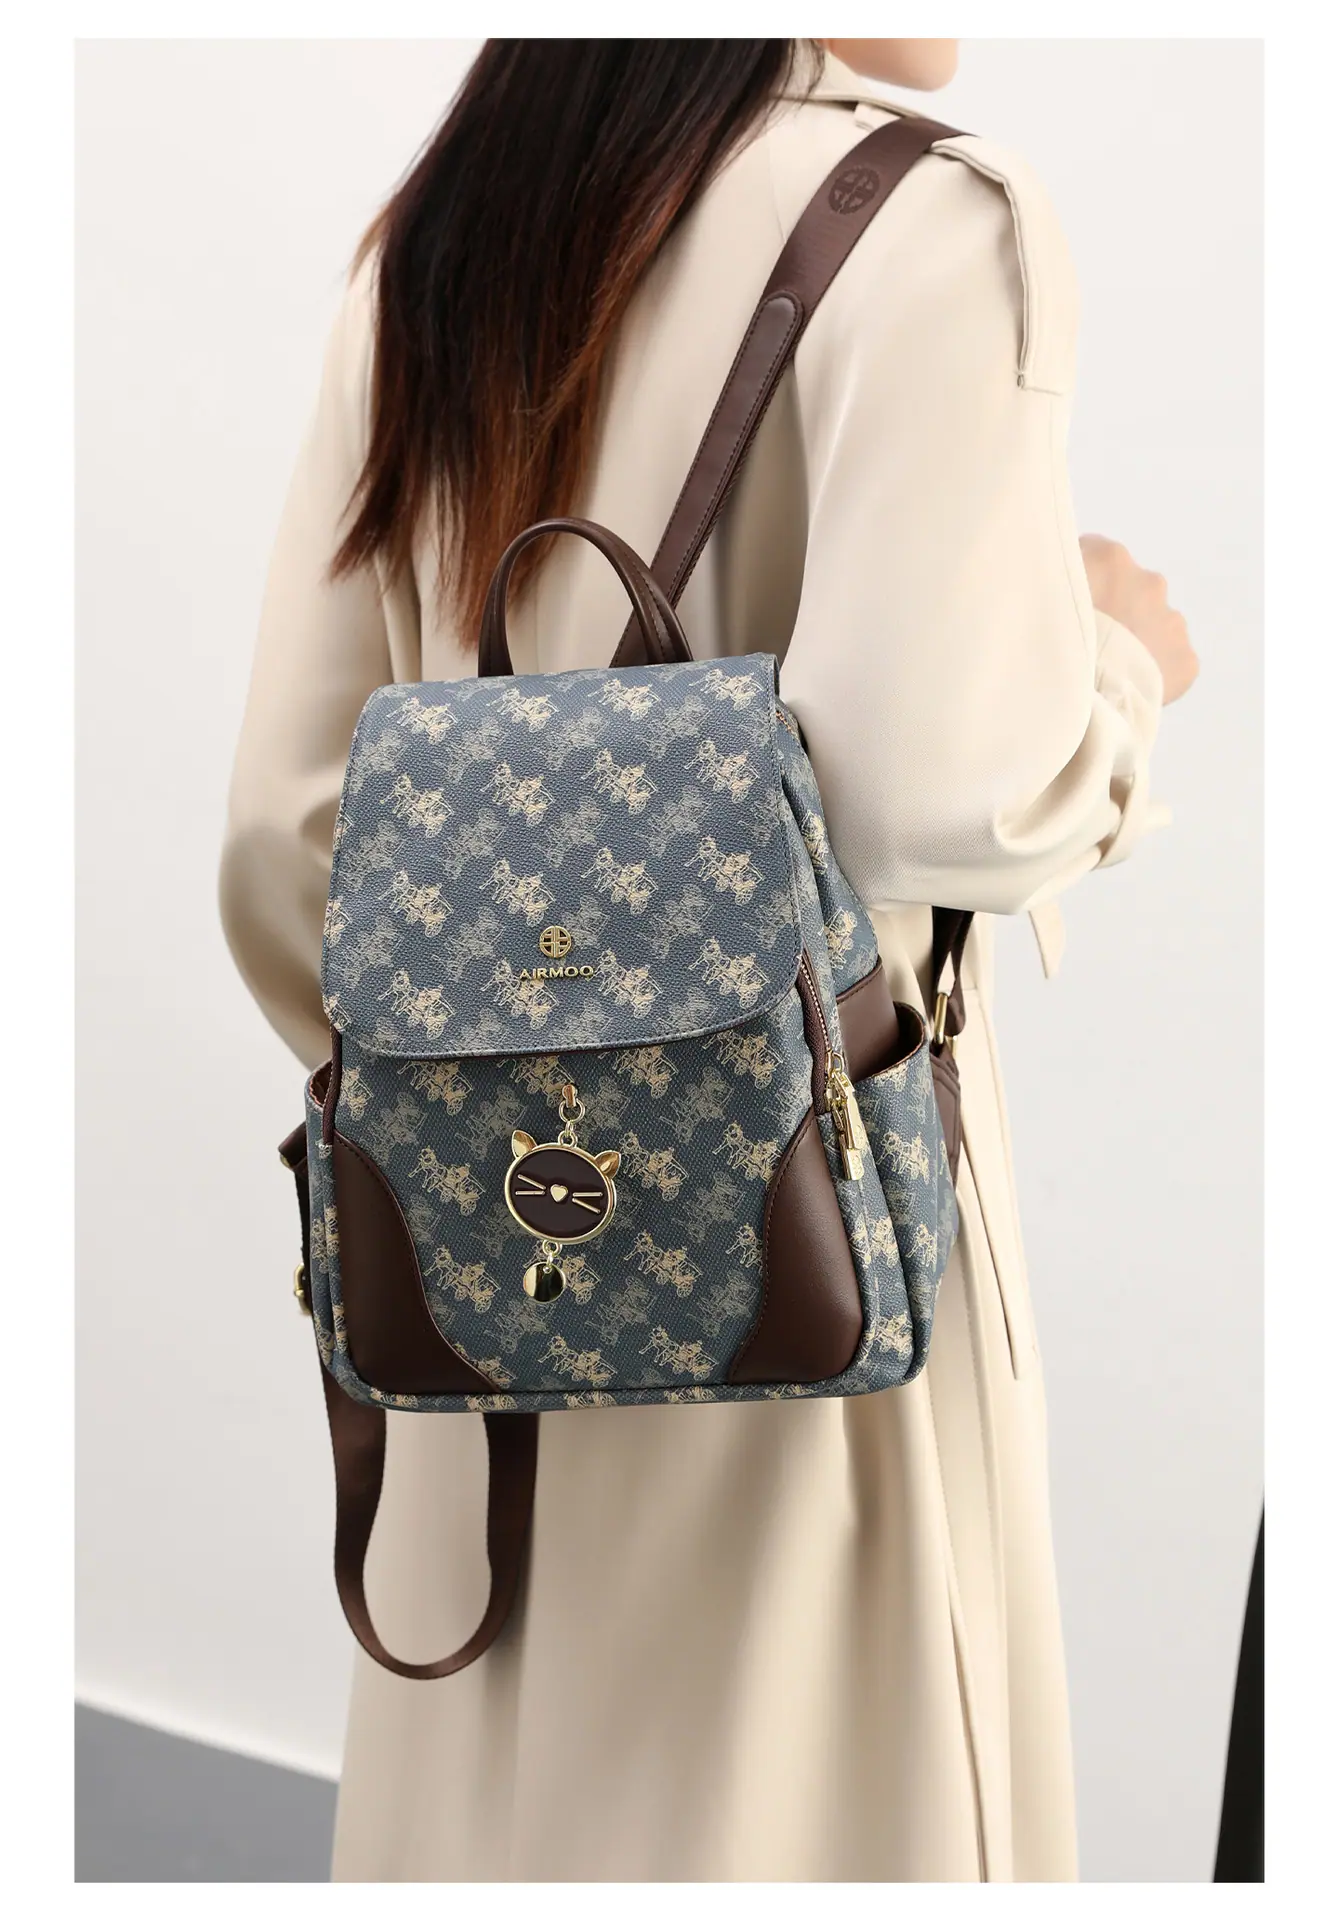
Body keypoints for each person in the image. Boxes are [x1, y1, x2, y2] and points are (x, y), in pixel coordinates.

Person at [220, 39, 1197, 1883]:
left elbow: (291, 849)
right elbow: (943, 786)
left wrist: (493, 1119)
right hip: (800, 1264)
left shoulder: (442, 240)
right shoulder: (932, 226)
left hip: (481, 1290)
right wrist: (1117, 666)